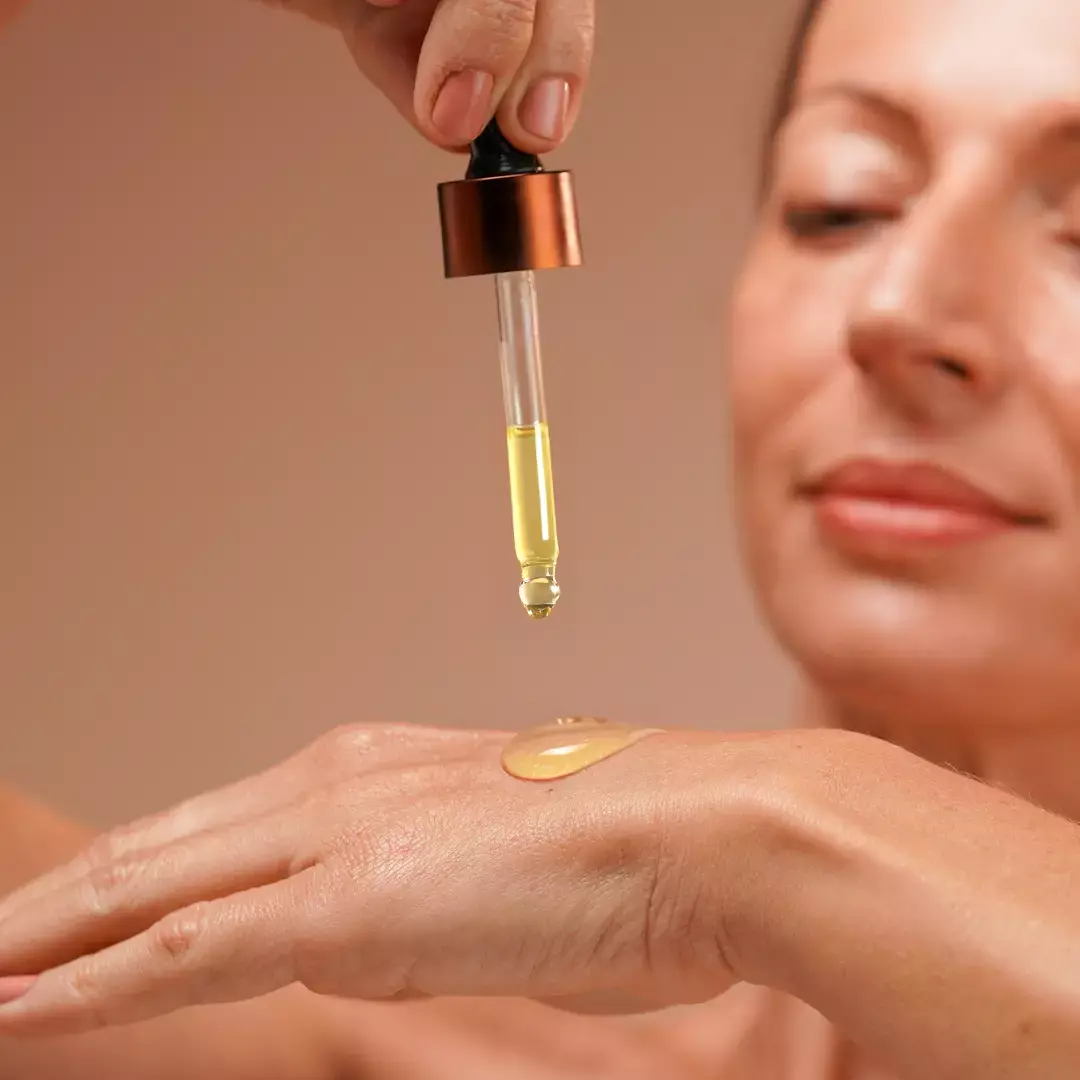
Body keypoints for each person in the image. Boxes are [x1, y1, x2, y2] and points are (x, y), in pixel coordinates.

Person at [3, 0, 1080, 1077]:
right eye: (843, 205)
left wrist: (757, 836)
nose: (895, 308)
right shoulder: (370, 1056)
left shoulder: (729, 845)